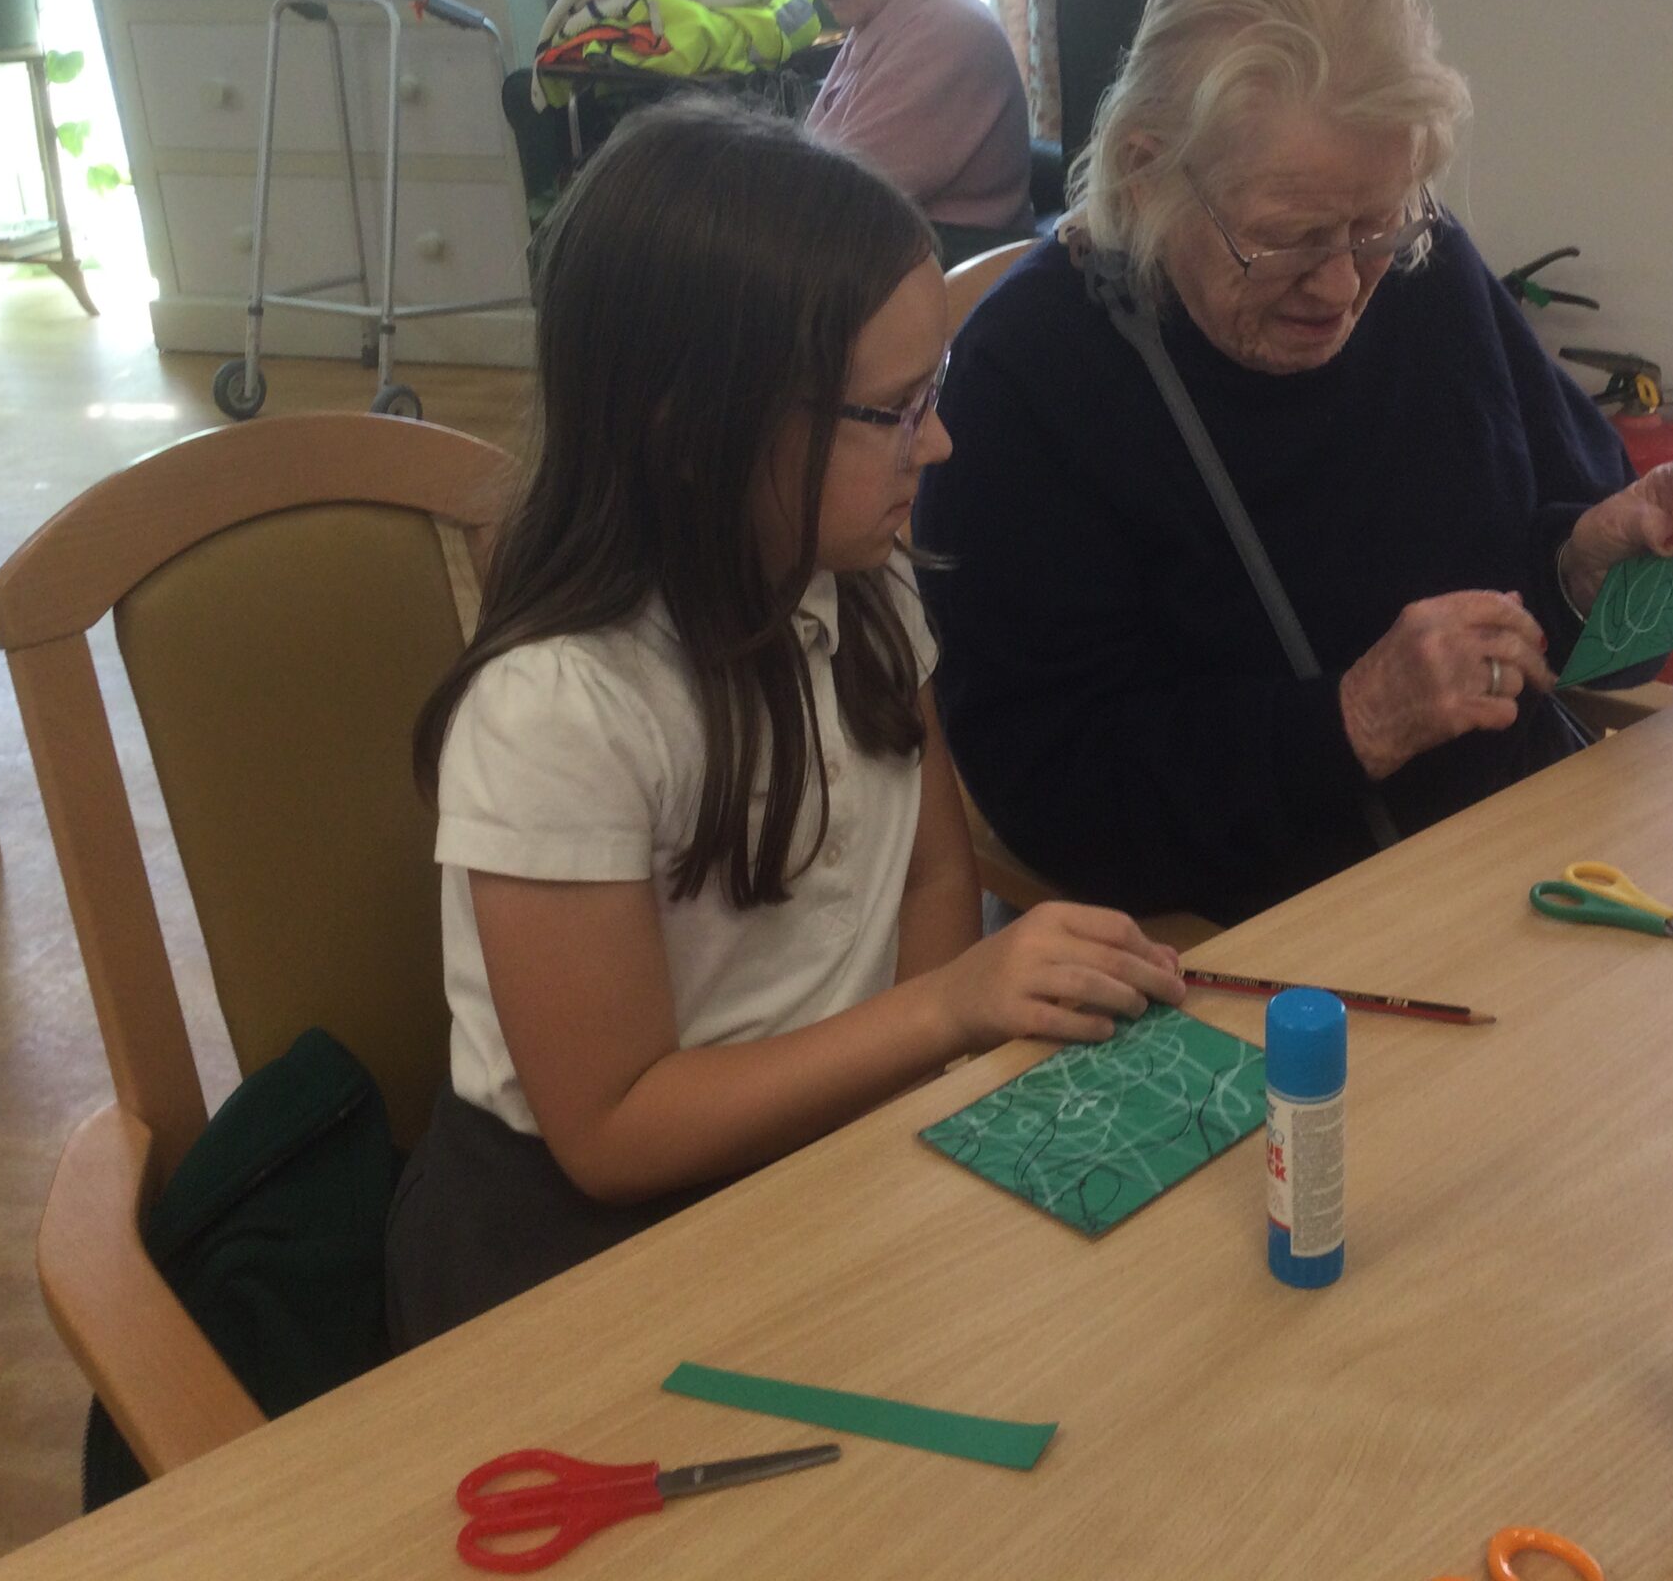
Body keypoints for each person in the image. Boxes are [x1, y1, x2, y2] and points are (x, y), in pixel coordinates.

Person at [387, 102, 1183, 1347]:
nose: (943, 440)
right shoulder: (558, 708)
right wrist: (942, 1015)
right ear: (694, 428)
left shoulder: (861, 578)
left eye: (938, 391)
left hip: (834, 1146)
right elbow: (610, 1131)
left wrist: (928, 1094)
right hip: (583, 1251)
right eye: (894, 411)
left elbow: (931, 866)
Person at [912, 0, 1673, 929]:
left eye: (1379, 225)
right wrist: (1350, 721)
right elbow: (1051, 789)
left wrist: (1580, 566)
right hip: (1262, 935)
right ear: (1143, 171)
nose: (1343, 285)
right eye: (1288, 239)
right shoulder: (1027, 378)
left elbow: (1520, 582)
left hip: (1526, 856)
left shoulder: (1423, 278)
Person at [773, 0, 1035, 265]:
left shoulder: (949, 30)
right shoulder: (882, 18)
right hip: (888, 262)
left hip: (950, 275)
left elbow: (836, 197)